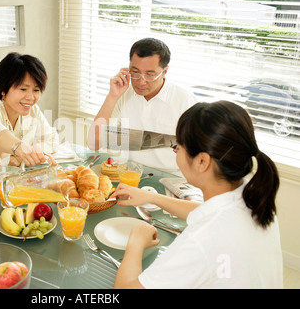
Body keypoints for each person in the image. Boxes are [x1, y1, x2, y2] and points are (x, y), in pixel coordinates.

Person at [112, 100, 283, 289]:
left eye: (177, 147)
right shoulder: (252, 193)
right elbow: (208, 212)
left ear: (202, 161)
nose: (176, 153)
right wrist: (153, 198)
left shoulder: (203, 240)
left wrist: (136, 242)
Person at [87, 38, 197, 174]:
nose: (141, 81)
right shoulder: (123, 94)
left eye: (150, 75)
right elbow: (94, 143)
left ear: (165, 71)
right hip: (132, 174)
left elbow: (201, 156)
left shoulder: (185, 101)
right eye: (135, 72)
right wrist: (112, 96)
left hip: (173, 177)